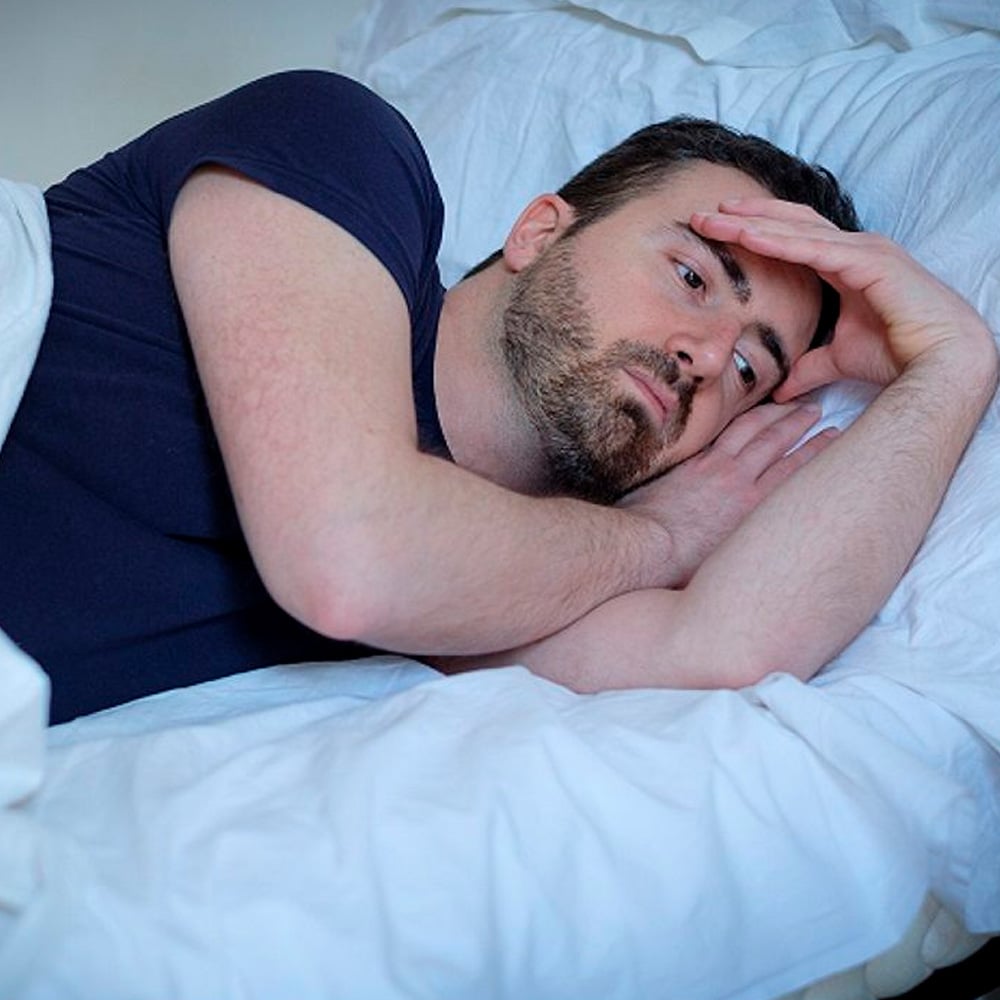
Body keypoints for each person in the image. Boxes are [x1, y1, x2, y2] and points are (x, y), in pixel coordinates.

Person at [0, 71, 994, 723]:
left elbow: (724, 647)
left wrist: (952, 364)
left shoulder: (504, 586)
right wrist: (659, 538)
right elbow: (353, 557)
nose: (704, 355)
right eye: (692, 276)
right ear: (538, 231)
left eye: (749, 371)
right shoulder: (340, 146)